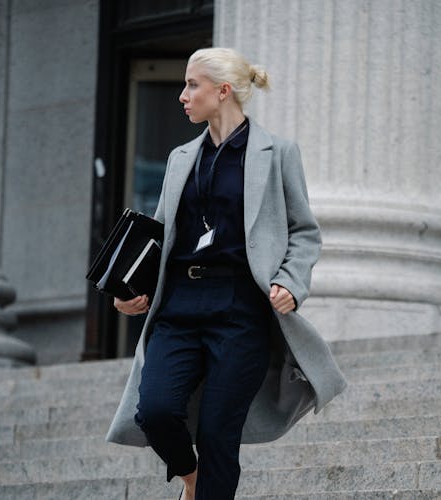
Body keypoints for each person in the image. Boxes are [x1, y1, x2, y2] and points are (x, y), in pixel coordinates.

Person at [105, 47, 346, 500]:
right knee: (156, 410)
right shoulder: (180, 158)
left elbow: (305, 232)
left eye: (192, 85)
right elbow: (158, 236)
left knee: (219, 433)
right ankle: (192, 479)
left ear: (223, 91)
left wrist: (291, 283)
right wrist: (129, 291)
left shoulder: (278, 153)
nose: (182, 95)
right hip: (178, 307)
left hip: (241, 311)